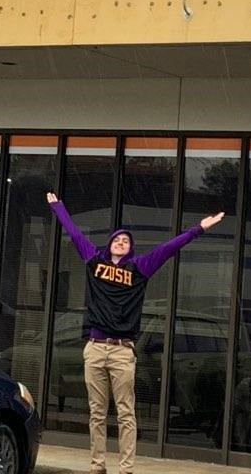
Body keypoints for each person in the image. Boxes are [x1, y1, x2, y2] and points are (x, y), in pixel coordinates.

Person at [46, 191, 224, 474]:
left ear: (130, 248)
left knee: (126, 412)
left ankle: (126, 468)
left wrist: (199, 228)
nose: (120, 242)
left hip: (122, 350)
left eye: (125, 241)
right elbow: (75, 233)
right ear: (110, 245)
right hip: (95, 347)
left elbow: (169, 248)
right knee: (97, 412)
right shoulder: (94, 262)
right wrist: (58, 207)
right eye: (117, 239)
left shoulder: (140, 268)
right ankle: (97, 466)